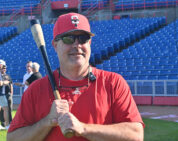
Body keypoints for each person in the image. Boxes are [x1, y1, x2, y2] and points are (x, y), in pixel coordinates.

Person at [7, 13, 144, 141]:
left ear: (89, 43)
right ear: (55, 45)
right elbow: (13, 138)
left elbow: (135, 135)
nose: (77, 45)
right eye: (69, 39)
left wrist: (83, 128)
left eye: (83, 39)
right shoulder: (36, 89)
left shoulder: (113, 83)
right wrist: (48, 121)